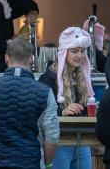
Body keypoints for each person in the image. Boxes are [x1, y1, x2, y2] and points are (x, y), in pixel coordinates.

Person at [0, 37, 59, 169]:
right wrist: (48, 163)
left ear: (6, 58)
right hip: (32, 162)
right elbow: (52, 136)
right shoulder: (45, 92)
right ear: (31, 59)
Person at [39, 27, 96, 169]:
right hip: (59, 143)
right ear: (64, 52)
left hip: (82, 142)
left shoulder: (83, 77)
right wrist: (62, 112)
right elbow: (39, 112)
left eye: (82, 51)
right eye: (74, 51)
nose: (79, 55)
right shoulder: (48, 78)